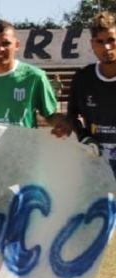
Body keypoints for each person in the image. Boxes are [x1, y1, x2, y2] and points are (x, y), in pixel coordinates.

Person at [63, 11, 116, 175]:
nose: (106, 47)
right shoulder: (83, 79)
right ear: (92, 44)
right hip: (96, 166)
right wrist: (84, 136)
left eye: (111, 40)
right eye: (100, 42)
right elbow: (72, 115)